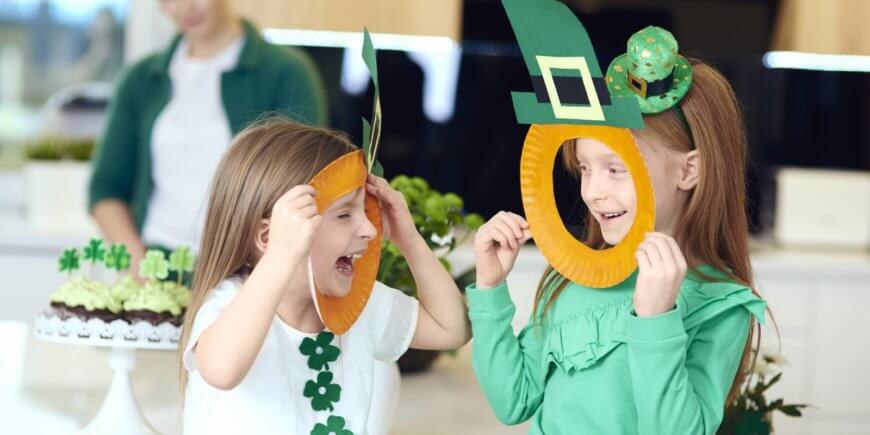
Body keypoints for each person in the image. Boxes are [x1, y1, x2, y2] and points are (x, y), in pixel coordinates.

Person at [467, 26, 769, 435]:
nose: (592, 192)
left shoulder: (721, 304)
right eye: (586, 168)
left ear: (688, 169)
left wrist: (655, 318)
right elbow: (513, 401)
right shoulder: (572, 274)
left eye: (616, 169)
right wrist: (489, 289)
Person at [177, 118, 470, 434]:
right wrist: (280, 256)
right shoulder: (231, 305)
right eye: (344, 215)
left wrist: (409, 240)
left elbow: (452, 329)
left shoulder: (359, 303)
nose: (370, 229)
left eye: (365, 211)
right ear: (269, 237)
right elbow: (222, 370)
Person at [88, 0, 327, 276]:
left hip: (242, 275)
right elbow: (106, 189)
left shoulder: (285, 72)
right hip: (154, 272)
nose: (184, 7)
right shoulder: (141, 80)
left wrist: (260, 279)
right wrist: (139, 270)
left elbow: (302, 186)